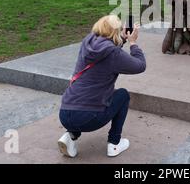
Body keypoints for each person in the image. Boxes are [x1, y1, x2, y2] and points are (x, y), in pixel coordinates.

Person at [57, 15, 146, 158]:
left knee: (86, 100)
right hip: (89, 118)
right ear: (116, 31)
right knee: (122, 95)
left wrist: (121, 39)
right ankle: (114, 144)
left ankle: (71, 135)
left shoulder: (87, 42)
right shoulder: (114, 54)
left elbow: (105, 50)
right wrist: (133, 43)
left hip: (65, 113)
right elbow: (140, 66)